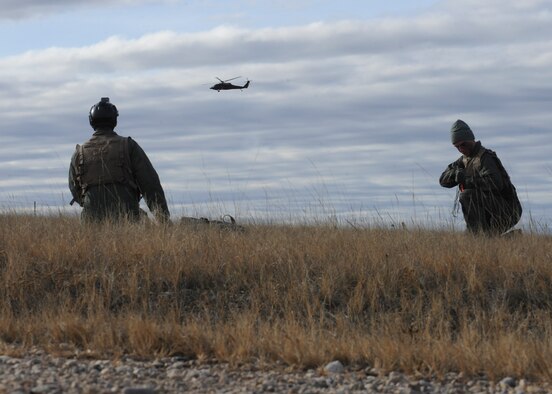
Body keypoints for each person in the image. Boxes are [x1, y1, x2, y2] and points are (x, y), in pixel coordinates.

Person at [69, 97, 170, 223]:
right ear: (114, 120)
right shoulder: (129, 146)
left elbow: (75, 189)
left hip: (90, 223)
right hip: (128, 220)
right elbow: (150, 184)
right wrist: (164, 220)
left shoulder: (79, 152)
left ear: (91, 121)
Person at [439, 119, 522, 235]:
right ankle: (512, 238)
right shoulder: (463, 160)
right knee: (480, 240)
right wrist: (455, 174)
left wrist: (467, 180)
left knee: (467, 195)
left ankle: (476, 233)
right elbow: (442, 181)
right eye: (457, 147)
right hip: (489, 212)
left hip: (508, 211)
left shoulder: (485, 158)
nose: (461, 149)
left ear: (471, 140)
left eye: (463, 144)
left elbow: (496, 183)